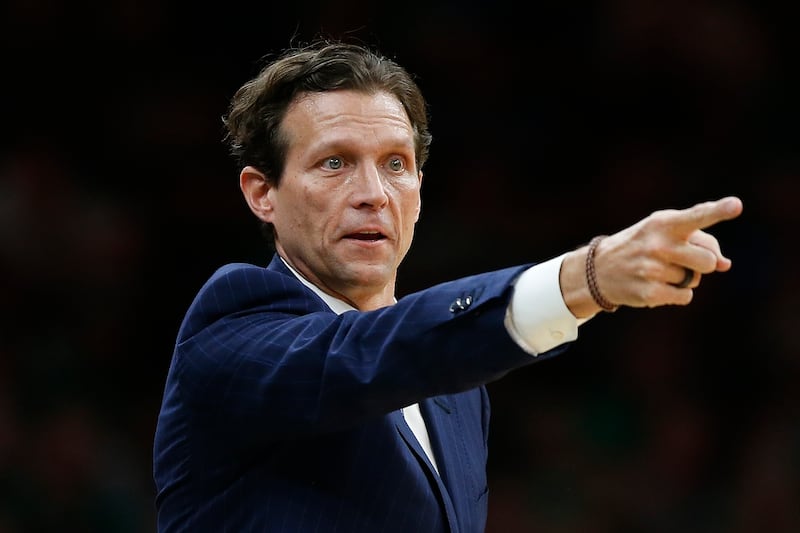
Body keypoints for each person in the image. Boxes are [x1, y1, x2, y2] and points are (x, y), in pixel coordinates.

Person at [152, 38, 743, 532]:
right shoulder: (230, 326)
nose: (373, 194)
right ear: (262, 193)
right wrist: (582, 279)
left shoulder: (457, 391)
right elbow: (362, 357)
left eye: (396, 164)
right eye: (334, 163)